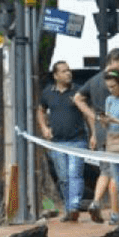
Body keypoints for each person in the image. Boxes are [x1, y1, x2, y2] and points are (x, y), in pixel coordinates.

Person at [37, 61, 96, 222]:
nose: (68, 73)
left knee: (74, 174)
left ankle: (74, 207)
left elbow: (87, 115)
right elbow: (41, 110)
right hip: (57, 143)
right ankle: (69, 207)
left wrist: (93, 134)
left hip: (78, 140)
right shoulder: (48, 92)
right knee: (63, 177)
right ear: (56, 75)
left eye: (69, 70)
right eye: (63, 71)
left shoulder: (78, 91)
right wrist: (44, 127)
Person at [89, 69, 119, 224]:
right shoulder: (109, 100)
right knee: (118, 183)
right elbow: (107, 125)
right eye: (108, 87)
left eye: (113, 86)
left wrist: (117, 121)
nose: (111, 90)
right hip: (112, 143)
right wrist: (104, 121)